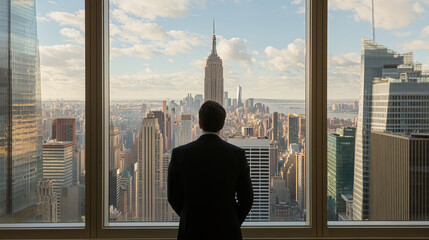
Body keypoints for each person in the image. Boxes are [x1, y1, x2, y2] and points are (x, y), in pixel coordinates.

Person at [168, 100, 253, 240]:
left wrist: (190, 216)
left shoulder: (179, 154)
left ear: (199, 124)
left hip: (191, 232)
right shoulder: (237, 155)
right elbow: (247, 200)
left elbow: (173, 197)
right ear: (222, 124)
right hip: (227, 232)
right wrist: (231, 220)